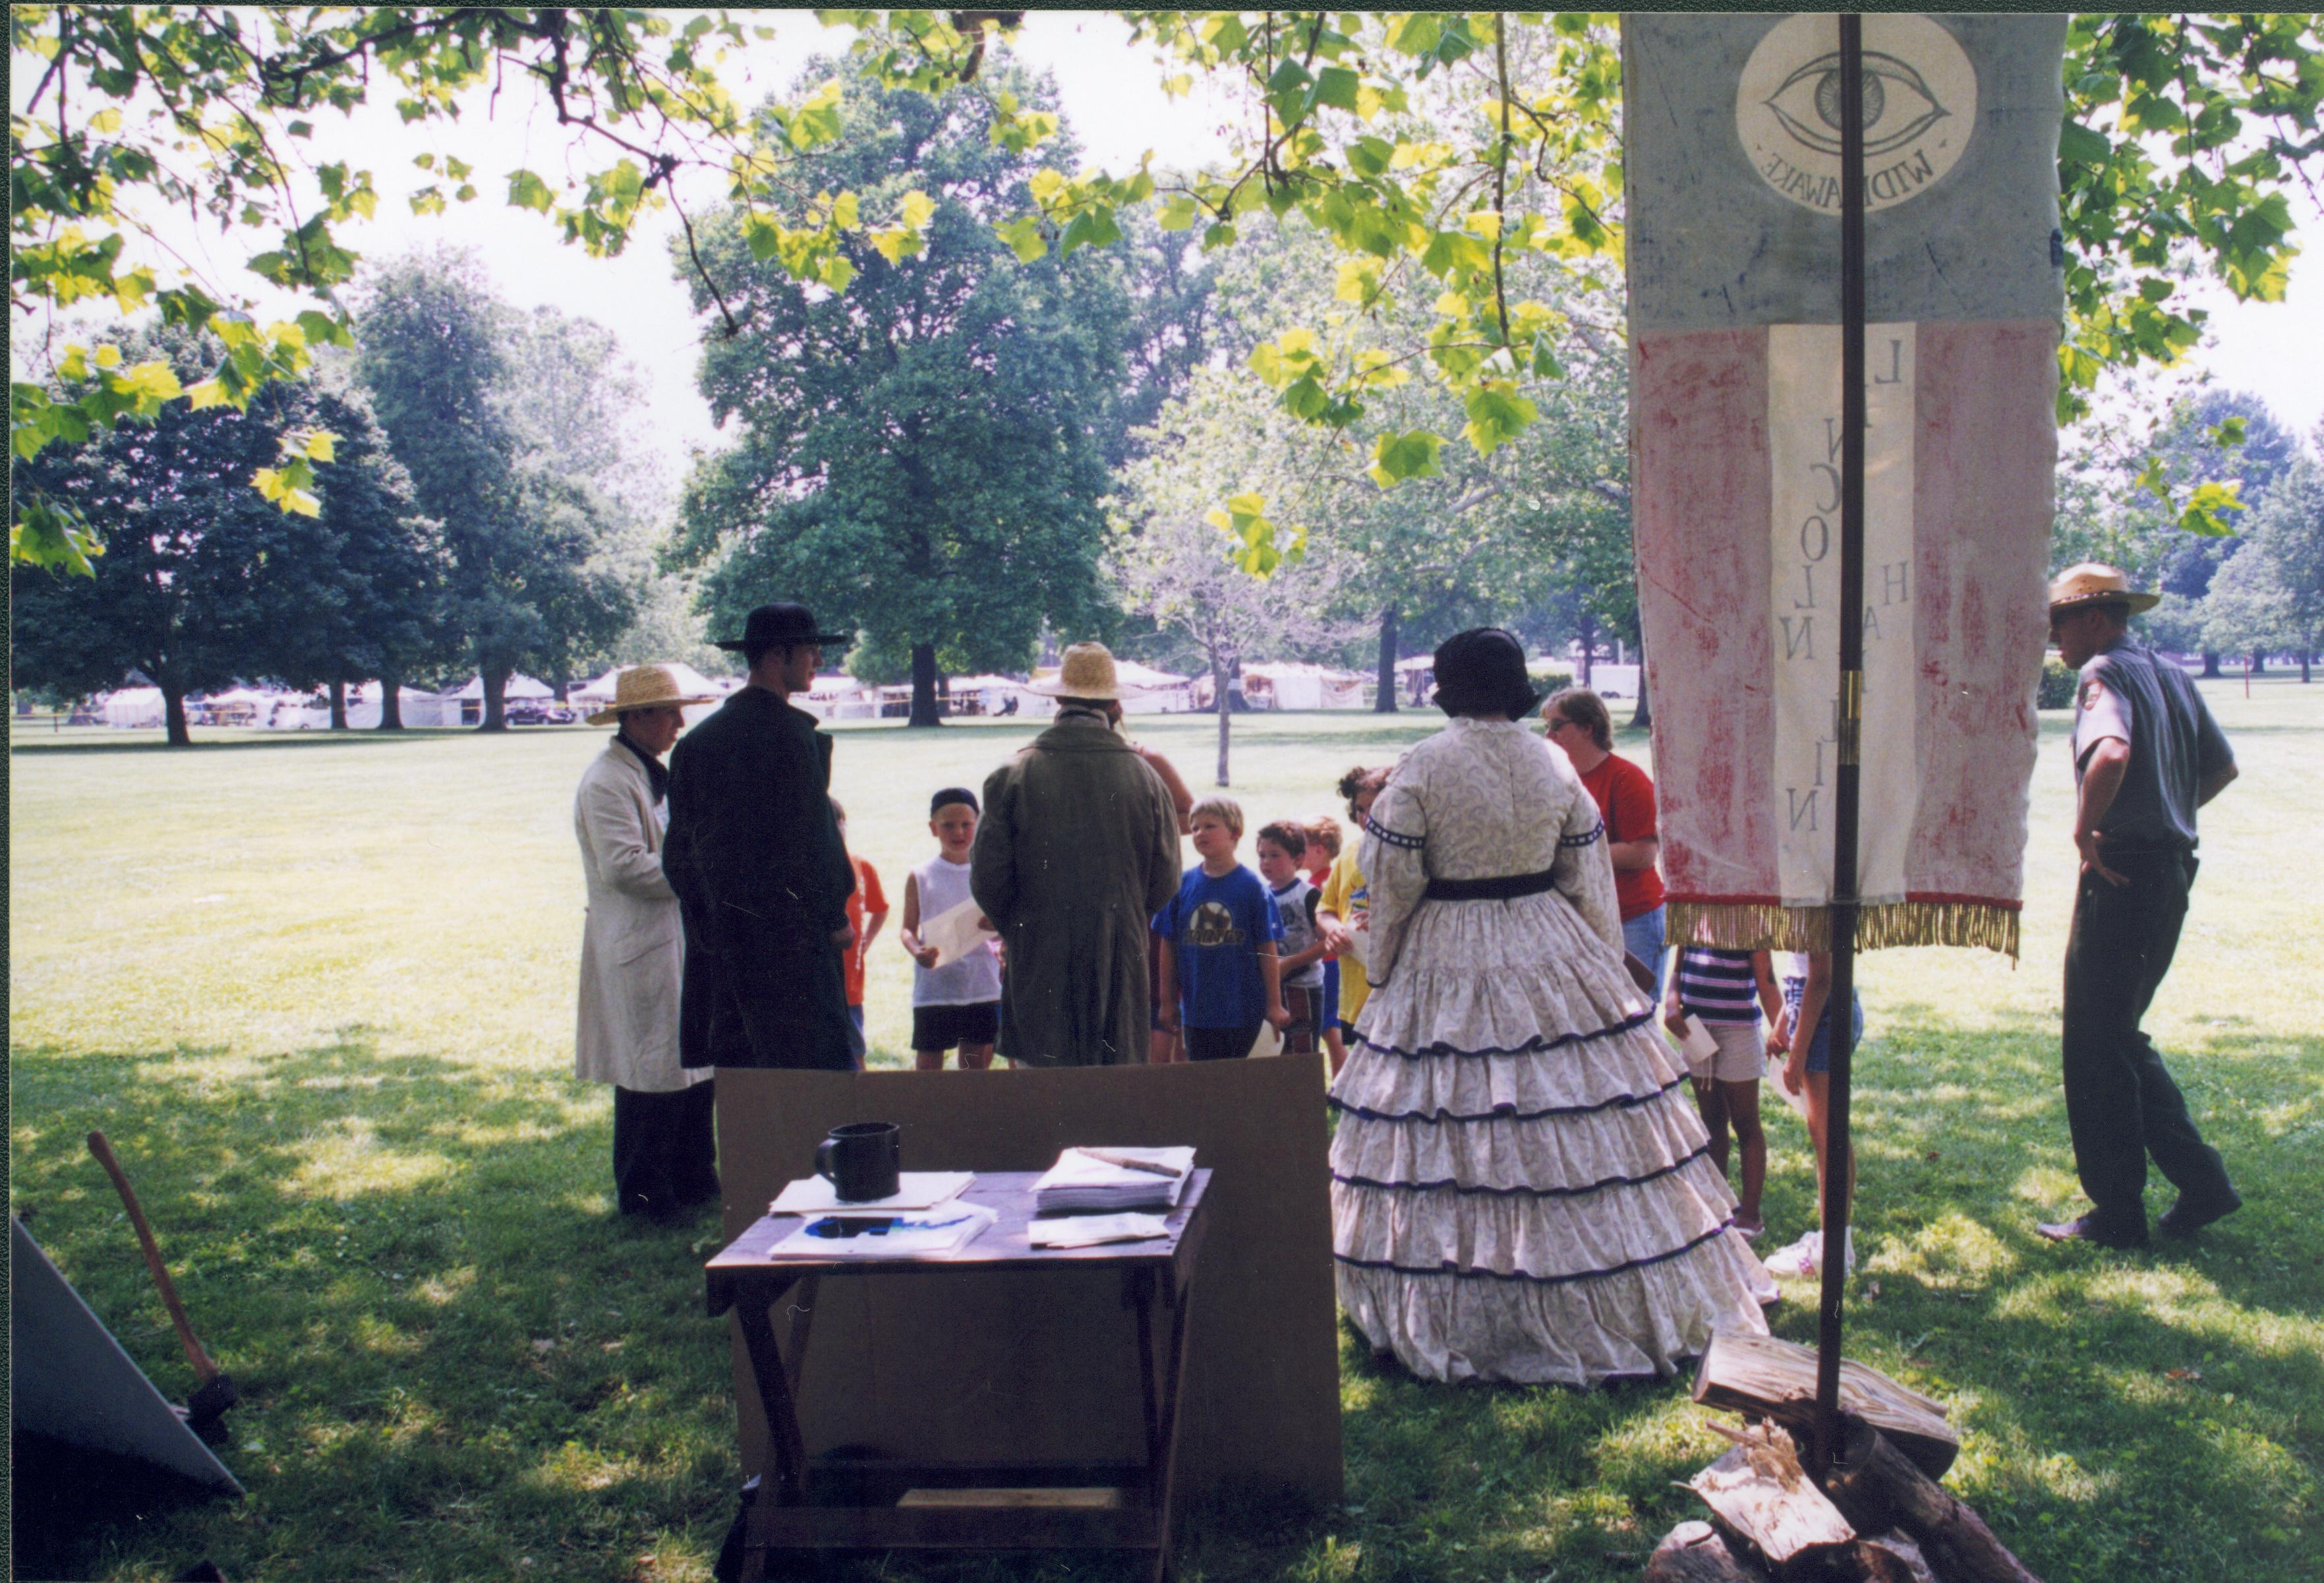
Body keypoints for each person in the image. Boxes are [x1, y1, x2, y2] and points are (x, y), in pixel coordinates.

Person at [1329, 628, 1768, 1386]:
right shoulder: (1550, 759)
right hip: (1547, 936)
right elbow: (1586, 870)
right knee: (1568, 1116)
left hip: (1451, 946)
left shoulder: (1422, 767)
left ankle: (1463, 1299)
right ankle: (1597, 1289)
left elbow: (1391, 876)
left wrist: (1391, 960)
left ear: (1450, 690)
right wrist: (1598, 960)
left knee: (1457, 1115)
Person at [2037, 564, 2242, 1247]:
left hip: (2122, 873)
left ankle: (2118, 1212)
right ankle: (2203, 1183)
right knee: (2118, 1033)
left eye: (2058, 621)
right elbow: (2219, 768)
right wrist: (2169, 815)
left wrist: (2085, 826)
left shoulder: (2103, 673)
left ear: (2094, 617)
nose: (2054, 637)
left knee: (2093, 1044)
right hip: (2170, 872)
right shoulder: (2171, 674)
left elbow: (2111, 751)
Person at [663, 603, 861, 1072]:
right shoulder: (790, 738)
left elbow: (679, 859)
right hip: (794, 952)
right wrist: (836, 915)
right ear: (777, 656)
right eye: (810, 650)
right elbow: (815, 842)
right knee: (808, 1097)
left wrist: (714, 920)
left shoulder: (698, 742)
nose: (817, 659)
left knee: (744, 1097)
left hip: (727, 950)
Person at [971, 642, 1184, 1066]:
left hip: (1038, 954)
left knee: (1043, 1091)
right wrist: (1122, 916)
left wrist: (1022, 926)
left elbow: (988, 881)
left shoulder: (1012, 774)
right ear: (1113, 702)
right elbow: (1166, 879)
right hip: (1119, 955)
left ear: (1059, 699)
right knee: (1113, 1093)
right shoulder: (1145, 776)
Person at [571, 664, 721, 1221]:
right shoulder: (607, 781)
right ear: (636, 717)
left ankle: (693, 1178)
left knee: (689, 1065)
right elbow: (625, 868)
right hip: (640, 942)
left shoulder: (648, 772)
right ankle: (645, 1194)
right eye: (668, 711)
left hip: (674, 938)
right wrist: (705, 872)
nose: (680, 723)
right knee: (650, 1072)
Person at [1543, 687, 1668, 996]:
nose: (1549, 734)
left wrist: (1572, 854)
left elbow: (1643, 853)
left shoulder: (1627, 778)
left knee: (1636, 1014)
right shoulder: (1557, 781)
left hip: (1632, 917)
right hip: (1580, 919)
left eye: (1558, 725)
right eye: (1546, 726)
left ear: (1588, 728)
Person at [1153, 797, 1291, 1061]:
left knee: (1240, 1086)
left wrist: (1274, 1004)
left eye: (1210, 826)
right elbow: (1168, 946)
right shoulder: (1182, 886)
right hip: (1197, 1013)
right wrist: (1167, 1000)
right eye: (1194, 828)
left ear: (1235, 833)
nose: (1200, 833)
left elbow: (1268, 948)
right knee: (1205, 1086)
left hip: (1243, 1011)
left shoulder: (1252, 888)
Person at [1760, 950, 1867, 1277]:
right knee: (1828, 1134)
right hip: (1813, 1001)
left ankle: (1830, 1255)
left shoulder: (1815, 896)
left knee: (1827, 1136)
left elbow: (1821, 973)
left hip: (1822, 1007)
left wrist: (1799, 1052)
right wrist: (1784, 1022)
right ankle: (1837, 1245)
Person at [1665, 945, 1781, 1240]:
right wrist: (1671, 1001)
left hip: (1738, 1030)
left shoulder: (1746, 914)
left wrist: (1781, 1030)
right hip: (1695, 1028)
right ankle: (1719, 1205)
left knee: (1745, 1121)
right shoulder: (1693, 909)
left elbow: (1767, 981)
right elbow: (1679, 966)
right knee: (1712, 1120)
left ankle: (1750, 1214)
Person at [900, 788, 1004, 1071]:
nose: (958, 832)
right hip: (936, 988)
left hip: (981, 985)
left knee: (973, 1065)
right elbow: (907, 929)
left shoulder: (987, 874)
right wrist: (917, 951)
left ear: (978, 824)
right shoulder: (921, 875)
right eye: (948, 825)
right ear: (934, 828)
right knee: (929, 1062)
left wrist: (997, 925)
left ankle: (968, 1114)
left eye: (966, 824)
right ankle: (923, 1115)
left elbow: (1005, 925)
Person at [1315, 767, 1389, 1078]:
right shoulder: (1349, 854)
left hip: (1393, 990)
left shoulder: (1411, 854)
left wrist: (1388, 919)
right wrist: (1332, 930)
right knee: (1366, 1075)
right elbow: (1325, 908)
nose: (1367, 816)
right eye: (1361, 808)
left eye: (1377, 806)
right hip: (1356, 990)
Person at [1256, 821, 1326, 1056]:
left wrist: (1289, 964)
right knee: (1275, 1051)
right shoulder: (1260, 896)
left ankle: (1306, 1093)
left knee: (1302, 1052)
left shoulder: (1308, 894)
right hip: (1271, 988)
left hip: (1303, 987)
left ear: (1298, 859)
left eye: (1275, 855)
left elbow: (1326, 943)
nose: (1266, 862)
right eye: (1262, 855)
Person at [832, 797, 888, 1063]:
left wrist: (867, 940)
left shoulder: (861, 866)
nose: (836, 829)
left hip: (850, 987)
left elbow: (880, 908)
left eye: (840, 821)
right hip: (824, 985)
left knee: (856, 1057)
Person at [1302, 818, 1347, 1073]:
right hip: (1331, 963)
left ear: (1319, 849)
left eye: (1303, 847)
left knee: (1330, 1027)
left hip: (1327, 964)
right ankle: (1342, 1082)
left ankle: (1343, 1082)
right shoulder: (1327, 878)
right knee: (1329, 1027)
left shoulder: (1319, 886)